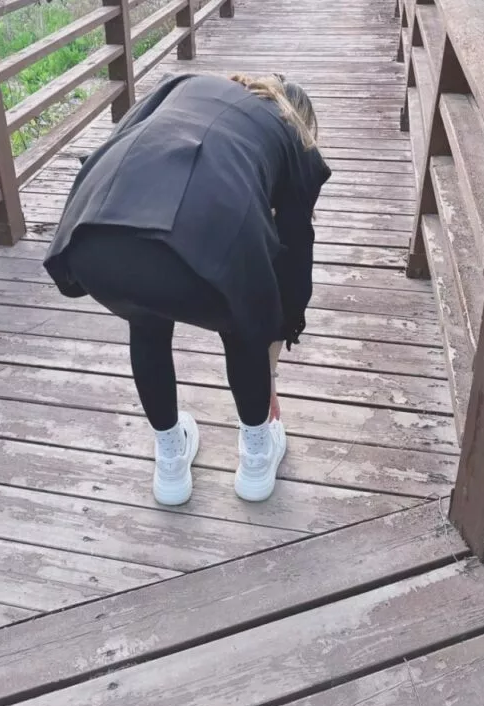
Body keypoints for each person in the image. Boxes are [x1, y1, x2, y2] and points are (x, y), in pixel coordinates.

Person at [44, 72, 330, 505]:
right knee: (242, 324)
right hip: (195, 247)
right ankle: (256, 456)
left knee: (146, 324)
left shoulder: (187, 83)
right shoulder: (292, 137)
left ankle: (171, 461)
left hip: (95, 237)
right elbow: (292, 258)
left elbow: (120, 138)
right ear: (301, 119)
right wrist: (271, 346)